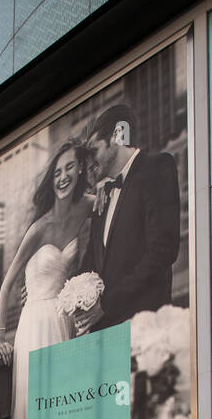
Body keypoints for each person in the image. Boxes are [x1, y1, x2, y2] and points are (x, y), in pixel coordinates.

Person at [0, 140, 94, 419]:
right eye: (57, 171)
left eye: (69, 168)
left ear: (80, 169)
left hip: (64, 321)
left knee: (65, 406)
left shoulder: (89, 207)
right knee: (38, 411)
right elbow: (7, 285)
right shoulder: (40, 227)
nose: (63, 176)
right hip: (35, 323)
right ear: (51, 179)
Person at [76, 103, 180, 332]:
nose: (90, 163)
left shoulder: (158, 167)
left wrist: (106, 304)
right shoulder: (104, 194)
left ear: (117, 135)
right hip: (107, 336)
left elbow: (163, 251)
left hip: (147, 331)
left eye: (94, 151)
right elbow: (91, 263)